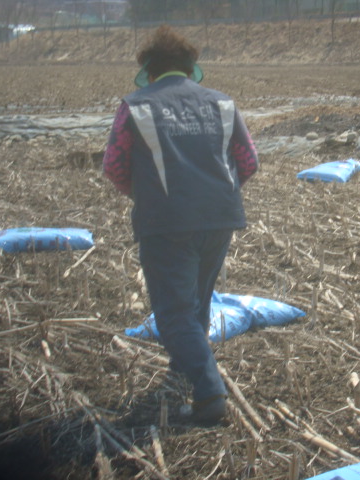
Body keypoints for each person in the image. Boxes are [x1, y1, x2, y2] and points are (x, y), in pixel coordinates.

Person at [103, 25, 258, 426]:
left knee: (173, 314)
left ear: (150, 70)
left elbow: (114, 165)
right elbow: (248, 161)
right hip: (220, 218)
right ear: (191, 68)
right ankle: (183, 368)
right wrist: (217, 195)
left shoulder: (135, 106)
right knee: (198, 303)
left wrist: (148, 195)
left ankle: (210, 396)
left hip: (166, 221)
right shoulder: (222, 103)